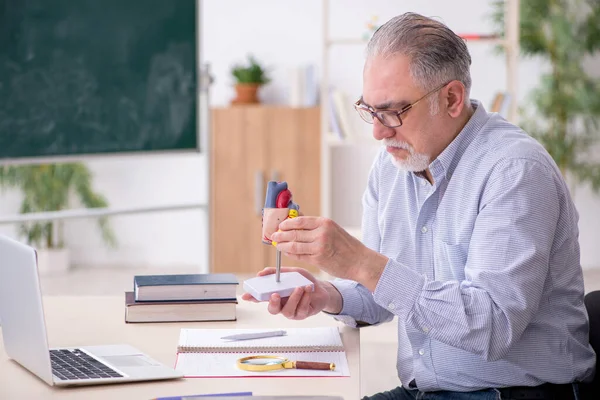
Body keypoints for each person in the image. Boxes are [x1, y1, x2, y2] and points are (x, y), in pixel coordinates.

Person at [242, 12, 596, 400]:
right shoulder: (392, 164)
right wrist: (328, 294)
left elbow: (492, 325)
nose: (378, 131)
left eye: (393, 111)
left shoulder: (514, 171)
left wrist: (362, 263)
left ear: (452, 98)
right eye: (370, 110)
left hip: (514, 393)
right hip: (430, 391)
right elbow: (385, 294)